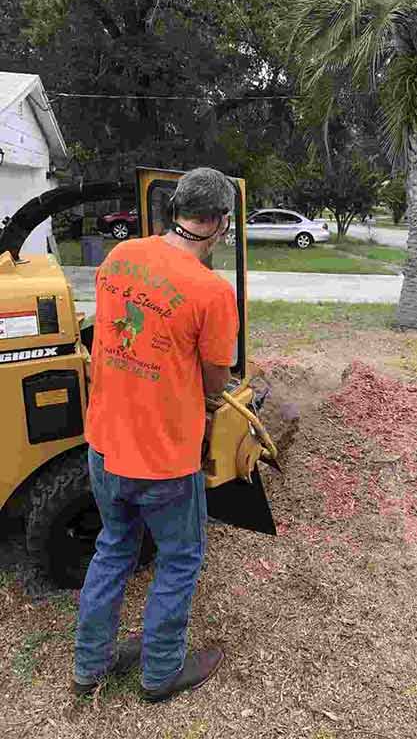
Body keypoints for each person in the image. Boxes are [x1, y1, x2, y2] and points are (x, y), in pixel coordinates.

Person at [73, 167, 239, 703]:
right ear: (217, 222)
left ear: (174, 210)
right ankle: (161, 670)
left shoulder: (119, 259)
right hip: (163, 457)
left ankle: (89, 666)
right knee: (180, 558)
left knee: (113, 549)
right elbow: (215, 380)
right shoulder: (211, 292)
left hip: (104, 444)